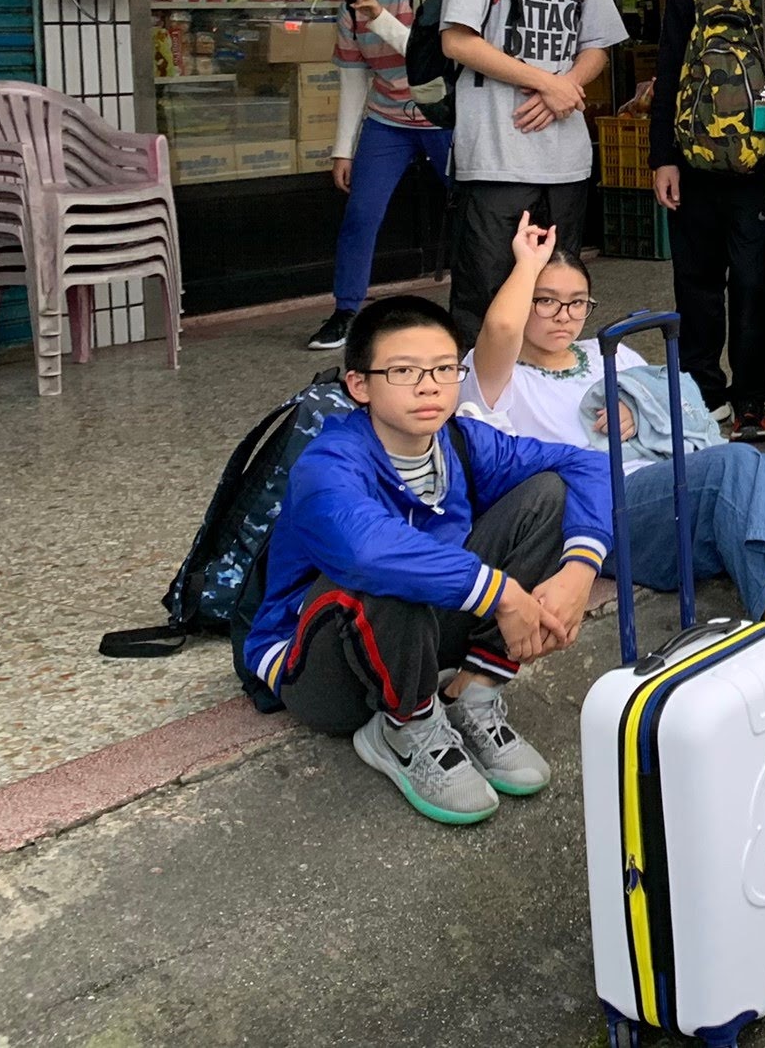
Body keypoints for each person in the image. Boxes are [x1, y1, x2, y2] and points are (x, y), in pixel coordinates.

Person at [240, 294, 611, 826]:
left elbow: (586, 466)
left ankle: (472, 693)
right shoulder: (329, 462)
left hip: (425, 639)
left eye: (443, 369)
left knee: (547, 493)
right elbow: (367, 550)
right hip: (323, 668)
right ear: (360, 385)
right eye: (403, 371)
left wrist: (580, 569)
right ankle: (404, 729)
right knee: (392, 567)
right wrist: (504, 594)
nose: (429, 385)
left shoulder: (460, 440)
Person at [465, 215, 765, 631]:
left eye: (577, 302)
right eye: (546, 301)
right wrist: (526, 264)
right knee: (733, 466)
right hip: (601, 513)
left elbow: (686, 410)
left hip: (678, 484)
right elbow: (501, 328)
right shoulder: (497, 377)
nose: (563, 315)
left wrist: (642, 412)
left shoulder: (611, 351)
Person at [439, 0, 626, 338]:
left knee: (557, 300)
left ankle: (545, 388)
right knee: (486, 302)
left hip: (565, 163)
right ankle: (480, 393)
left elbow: (598, 45)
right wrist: (546, 82)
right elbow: (457, 40)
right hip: (496, 159)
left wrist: (565, 87)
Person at [651, 0, 765, 439]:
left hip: (762, 168)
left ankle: (751, 398)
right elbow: (668, 73)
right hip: (695, 164)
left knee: (754, 286)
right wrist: (663, 159)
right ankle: (705, 393)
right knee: (695, 286)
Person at [309, 0, 450, 351]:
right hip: (387, 121)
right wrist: (342, 150)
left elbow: (431, 56)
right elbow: (353, 80)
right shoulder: (350, 7)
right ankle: (346, 311)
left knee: (474, 209)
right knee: (360, 215)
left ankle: (486, 298)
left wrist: (380, 17)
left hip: (443, 117)